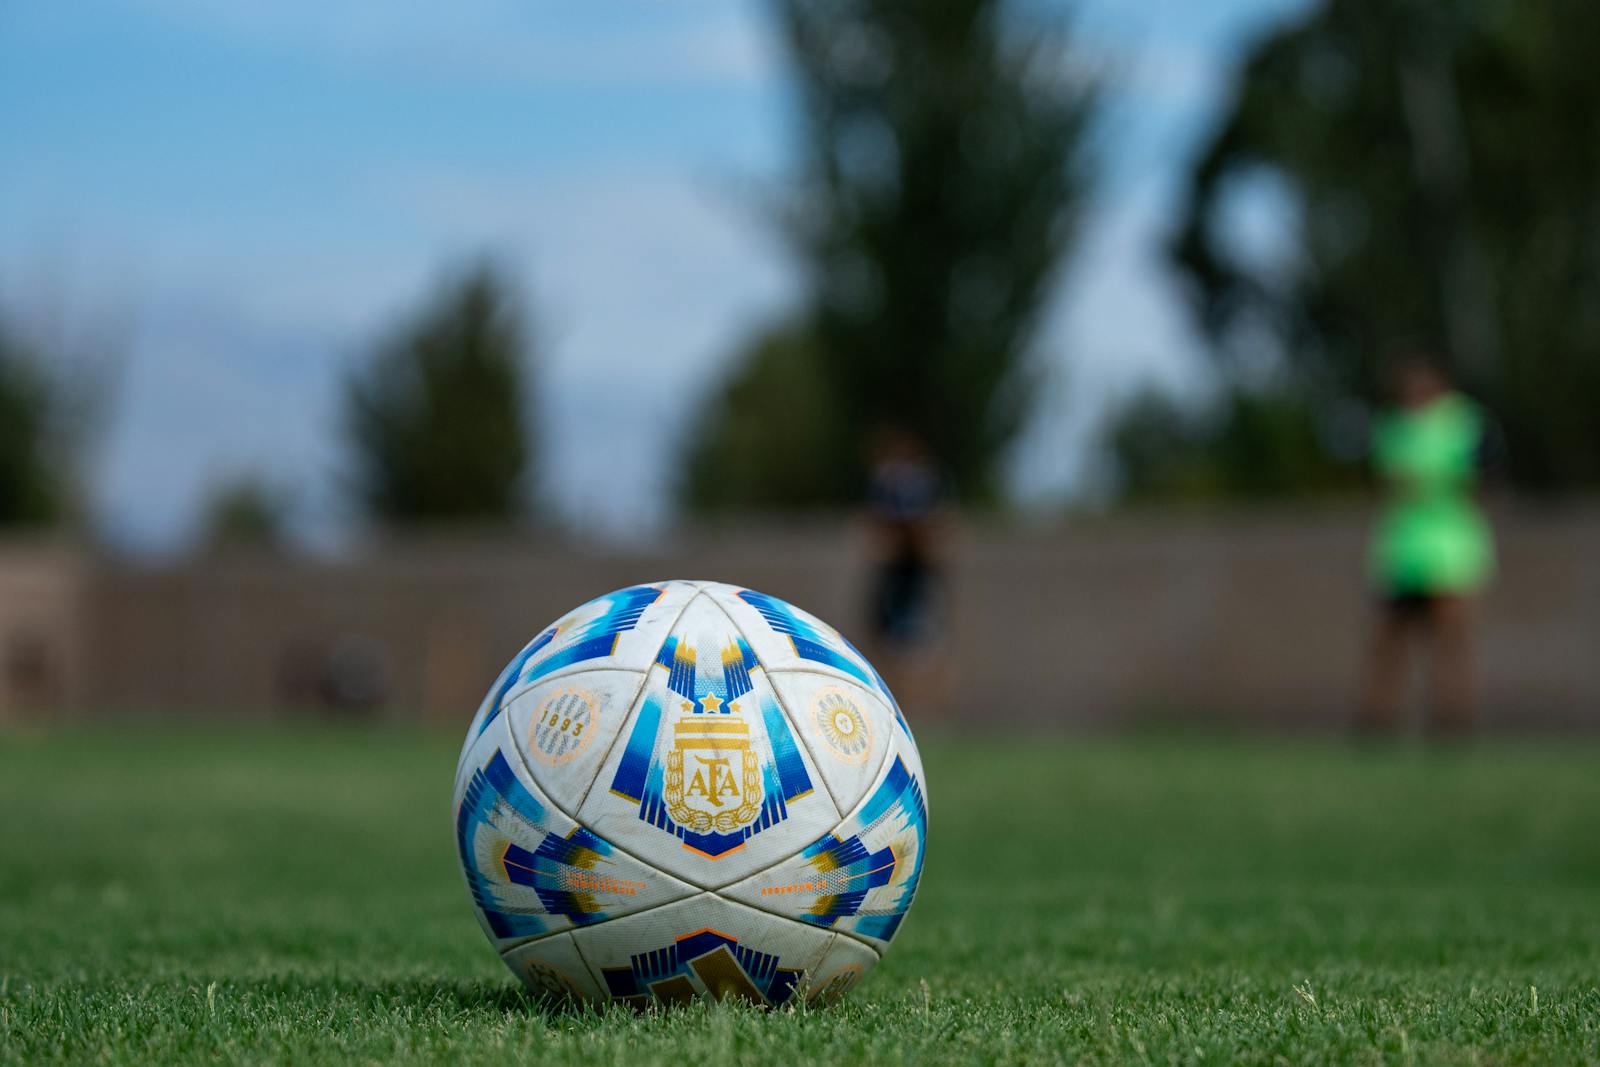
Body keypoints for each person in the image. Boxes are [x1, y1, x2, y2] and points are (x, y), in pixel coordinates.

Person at [1357, 356, 1498, 737]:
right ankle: (1377, 724)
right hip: (1403, 551)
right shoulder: (1392, 426)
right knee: (1389, 643)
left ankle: (1451, 724)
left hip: (1451, 550)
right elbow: (1386, 479)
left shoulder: (1465, 422)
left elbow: (1481, 477)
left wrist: (1434, 484)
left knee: (1451, 643)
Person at [863, 427, 948, 705]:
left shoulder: (921, 483)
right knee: (887, 643)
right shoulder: (886, 483)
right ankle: (892, 702)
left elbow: (933, 527)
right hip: (893, 576)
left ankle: (927, 706)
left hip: (917, 575)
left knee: (923, 644)